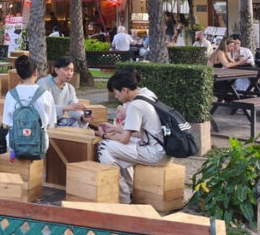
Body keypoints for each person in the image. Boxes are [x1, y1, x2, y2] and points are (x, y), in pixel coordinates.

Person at [98, 69, 170, 204]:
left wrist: (105, 136)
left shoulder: (135, 106)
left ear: (125, 90)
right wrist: (115, 128)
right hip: (163, 149)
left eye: (115, 92)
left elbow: (124, 139)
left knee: (104, 147)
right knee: (117, 151)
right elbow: (139, 132)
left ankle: (123, 197)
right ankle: (130, 189)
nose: (115, 97)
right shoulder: (147, 94)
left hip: (154, 153)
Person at [1, 55, 56, 157]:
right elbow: (51, 124)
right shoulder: (46, 94)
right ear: (35, 72)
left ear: (18, 75)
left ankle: (12, 160)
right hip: (39, 147)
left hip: (15, 147)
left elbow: (6, 123)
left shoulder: (11, 94)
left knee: (11, 154)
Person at [38, 57, 92, 127]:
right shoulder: (43, 83)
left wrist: (82, 117)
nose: (70, 73)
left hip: (59, 121)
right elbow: (44, 108)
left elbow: (73, 108)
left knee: (78, 123)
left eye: (72, 70)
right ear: (56, 70)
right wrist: (66, 107)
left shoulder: (70, 88)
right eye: (66, 69)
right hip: (42, 121)